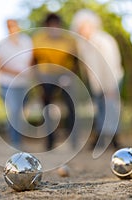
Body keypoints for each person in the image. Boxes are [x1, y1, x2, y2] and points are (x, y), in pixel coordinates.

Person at [71, 9, 124, 149]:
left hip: (111, 81)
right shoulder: (83, 45)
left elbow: (111, 65)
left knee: (111, 110)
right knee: (101, 110)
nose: (82, 30)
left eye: (84, 26)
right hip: (97, 84)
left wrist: (110, 87)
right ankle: (103, 139)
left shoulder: (104, 41)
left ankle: (112, 140)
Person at [32, 13, 80, 150]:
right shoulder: (38, 39)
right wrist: (39, 82)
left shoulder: (69, 40)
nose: (54, 28)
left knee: (71, 107)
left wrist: (69, 75)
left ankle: (73, 141)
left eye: (56, 25)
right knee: (47, 109)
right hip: (46, 75)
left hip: (65, 74)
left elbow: (76, 60)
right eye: (51, 25)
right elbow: (34, 61)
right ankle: (49, 142)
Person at [0, 19, 33, 149]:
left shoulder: (26, 41)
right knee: (14, 111)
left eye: (13, 26)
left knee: (20, 112)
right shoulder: (3, 45)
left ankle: (17, 139)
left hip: (23, 83)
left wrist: (26, 71)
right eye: (9, 27)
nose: (12, 29)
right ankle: (15, 142)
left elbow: (31, 59)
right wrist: (15, 72)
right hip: (8, 83)